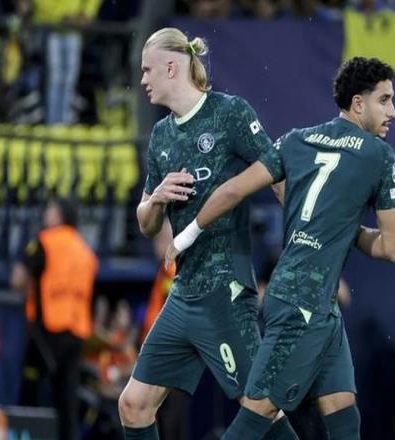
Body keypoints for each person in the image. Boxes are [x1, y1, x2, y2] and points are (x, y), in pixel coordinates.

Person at [168, 56, 395, 439]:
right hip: (304, 306)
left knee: (344, 412)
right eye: (385, 100)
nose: (393, 111)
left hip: (308, 302)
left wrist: (186, 235)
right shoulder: (381, 156)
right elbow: (390, 248)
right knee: (255, 417)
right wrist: (345, 227)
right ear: (358, 104)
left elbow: (232, 190)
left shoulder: (295, 140)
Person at [117, 27, 297, 440]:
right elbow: (146, 223)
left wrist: (309, 237)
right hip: (183, 293)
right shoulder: (161, 135)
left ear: (170, 67)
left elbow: (277, 176)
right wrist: (157, 198)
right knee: (133, 405)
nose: (142, 80)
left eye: (147, 70)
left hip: (224, 291)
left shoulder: (230, 113)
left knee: (261, 408)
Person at [10, 197, 99, 440]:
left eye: (49, 209)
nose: (46, 214)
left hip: (46, 331)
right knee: (67, 401)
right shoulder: (86, 251)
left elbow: (18, 279)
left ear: (58, 214)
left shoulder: (44, 242)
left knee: (30, 397)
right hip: (77, 332)